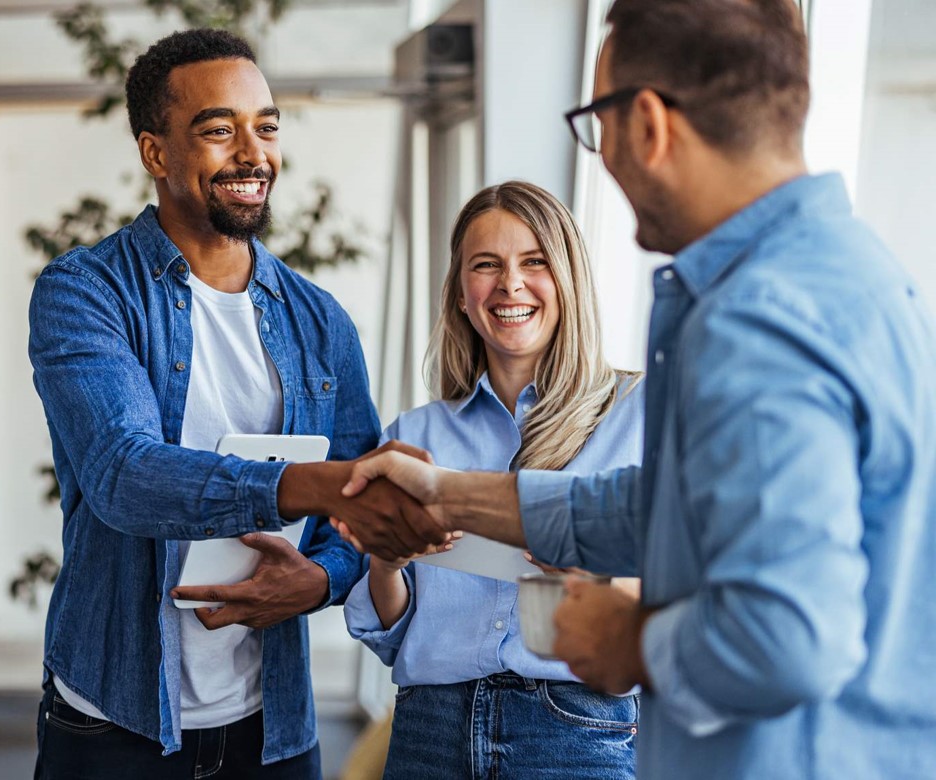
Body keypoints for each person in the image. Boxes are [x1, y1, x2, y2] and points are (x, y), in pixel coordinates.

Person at [335, 1, 936, 778]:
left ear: (648, 123)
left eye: (599, 124)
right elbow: (659, 511)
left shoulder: (758, 316)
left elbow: (789, 639)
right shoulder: (855, 274)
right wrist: (445, 493)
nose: (606, 157)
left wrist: (628, 641)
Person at [27, 28, 436, 779]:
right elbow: (122, 473)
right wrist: (299, 487)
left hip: (270, 725)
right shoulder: (86, 293)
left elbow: (355, 512)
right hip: (114, 722)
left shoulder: (319, 320)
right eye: (219, 130)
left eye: (266, 127)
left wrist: (320, 579)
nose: (254, 153)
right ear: (156, 153)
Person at [344, 181, 643, 779]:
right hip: (430, 729)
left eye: (534, 262)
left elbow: (679, 595)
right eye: (487, 265)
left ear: (568, 281)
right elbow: (393, 635)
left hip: (575, 732)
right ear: (461, 293)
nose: (510, 285)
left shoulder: (639, 413)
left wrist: (588, 567)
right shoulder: (415, 435)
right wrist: (387, 559)